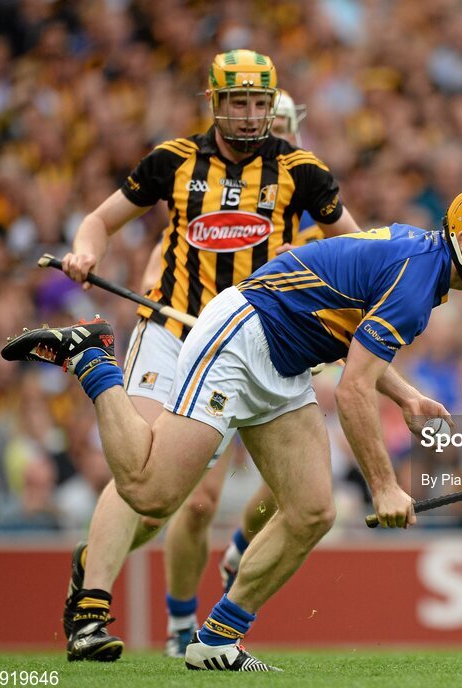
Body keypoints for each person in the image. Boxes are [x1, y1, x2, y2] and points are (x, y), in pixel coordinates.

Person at [3, 188, 462, 671]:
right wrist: (384, 486)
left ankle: (217, 641)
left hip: (285, 363)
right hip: (245, 336)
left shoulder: (424, 263)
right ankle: (93, 359)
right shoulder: (420, 280)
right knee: (149, 492)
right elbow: (350, 392)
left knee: (312, 511)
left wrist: (406, 394)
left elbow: (356, 345)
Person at [51, 49, 360, 663]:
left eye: (259, 104)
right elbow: (100, 220)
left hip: (253, 344)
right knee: (148, 480)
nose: (250, 116)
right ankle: (92, 609)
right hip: (173, 330)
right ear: (215, 103)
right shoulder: (174, 161)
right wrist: (85, 252)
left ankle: (227, 564)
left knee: (208, 501)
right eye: (237, 103)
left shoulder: (303, 172)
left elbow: (355, 252)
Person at [152, 87, 331, 658]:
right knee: (199, 500)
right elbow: (162, 261)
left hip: (278, 360)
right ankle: (182, 623)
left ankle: (239, 547)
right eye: (258, 117)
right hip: (213, 350)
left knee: (299, 489)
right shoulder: (208, 195)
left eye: (277, 121)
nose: (266, 129)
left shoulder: (304, 201)